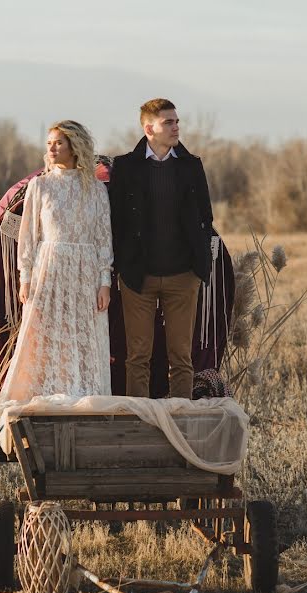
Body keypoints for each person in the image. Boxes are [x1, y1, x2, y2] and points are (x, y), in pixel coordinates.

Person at [0, 120, 113, 403]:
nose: (52, 148)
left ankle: (83, 400)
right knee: (46, 336)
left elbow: (102, 238)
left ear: (74, 147)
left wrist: (104, 281)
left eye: (58, 143)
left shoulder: (96, 190)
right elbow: (28, 237)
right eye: (49, 143)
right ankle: (45, 400)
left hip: (85, 273)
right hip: (48, 269)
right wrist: (25, 277)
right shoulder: (40, 186)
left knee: (82, 339)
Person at [109, 98, 213, 400]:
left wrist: (198, 265)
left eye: (177, 121)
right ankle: (139, 425)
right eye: (169, 122)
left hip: (183, 276)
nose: (176, 127)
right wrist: (125, 262)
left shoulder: (192, 166)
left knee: (181, 356)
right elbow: (116, 219)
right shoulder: (126, 166)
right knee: (138, 356)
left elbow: (205, 216)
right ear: (148, 128)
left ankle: (180, 423)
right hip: (138, 276)